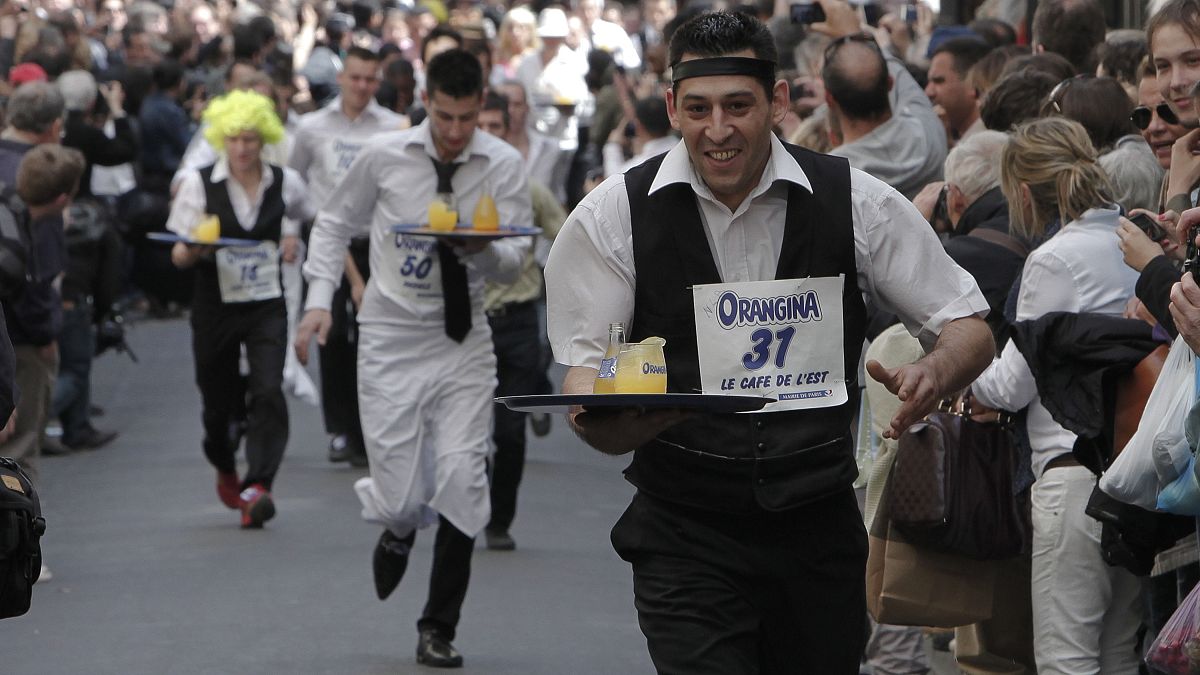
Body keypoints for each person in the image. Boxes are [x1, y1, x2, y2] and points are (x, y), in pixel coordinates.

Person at [544, 11, 994, 673]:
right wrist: (619, 420)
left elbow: (969, 324)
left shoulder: (854, 201)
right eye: (697, 108)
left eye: (738, 107)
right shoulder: (615, 217)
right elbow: (586, 384)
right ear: (671, 106)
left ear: (779, 101)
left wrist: (937, 369)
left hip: (816, 533)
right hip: (684, 534)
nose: (717, 131)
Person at [295, 49, 532, 668]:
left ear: (483, 107)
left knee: (462, 475)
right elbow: (331, 224)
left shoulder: (503, 165)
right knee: (401, 497)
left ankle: (438, 626)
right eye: (445, 116)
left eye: (467, 117)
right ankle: (398, 528)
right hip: (390, 338)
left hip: (464, 342)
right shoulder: (384, 157)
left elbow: (515, 259)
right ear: (426, 101)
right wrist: (320, 300)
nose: (455, 132)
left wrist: (478, 250)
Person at [969, 117, 1141, 674]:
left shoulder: (1053, 258)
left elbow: (1011, 385)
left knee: (1066, 659)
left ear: (1023, 192)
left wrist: (961, 367)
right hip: (1137, 477)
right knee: (1119, 655)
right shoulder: (1134, 239)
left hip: (1072, 477)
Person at [166, 90, 315, 529]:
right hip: (216, 305)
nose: (243, 148)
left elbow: (307, 217)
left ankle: (260, 484)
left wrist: (291, 235)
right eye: (234, 139)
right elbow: (176, 254)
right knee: (217, 400)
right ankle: (226, 464)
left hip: (266, 302)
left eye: (251, 139)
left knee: (269, 389)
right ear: (222, 140)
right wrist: (195, 246)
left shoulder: (286, 182)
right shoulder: (198, 183)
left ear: (264, 139)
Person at [289, 46, 408, 467]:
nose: (361, 87)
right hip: (328, 239)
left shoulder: (394, 127)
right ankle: (340, 428)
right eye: (355, 77)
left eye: (370, 79)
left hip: (376, 242)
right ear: (341, 78)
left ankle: (373, 427)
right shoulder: (311, 127)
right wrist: (290, 231)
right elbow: (294, 181)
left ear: (379, 82)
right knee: (332, 334)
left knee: (376, 334)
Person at [477, 90, 566, 551]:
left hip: (516, 322)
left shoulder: (528, 189)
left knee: (510, 432)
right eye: (482, 127)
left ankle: (499, 521)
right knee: (471, 431)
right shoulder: (454, 191)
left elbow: (568, 233)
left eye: (498, 127)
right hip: (469, 324)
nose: (490, 136)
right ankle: (470, 507)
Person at [0, 83, 69, 481]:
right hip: (19, 334)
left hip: (11, 322)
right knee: (17, 453)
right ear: (54, 126)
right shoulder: (42, 169)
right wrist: (45, 330)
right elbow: (38, 268)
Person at [821, 12, 947, 200]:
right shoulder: (926, 132)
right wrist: (855, 34)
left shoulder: (830, 176)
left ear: (829, 99)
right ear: (889, 83)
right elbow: (902, 79)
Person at [925, 37, 992, 144]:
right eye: (928, 82)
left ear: (972, 83)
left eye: (938, 81)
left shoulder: (987, 145)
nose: (928, 92)